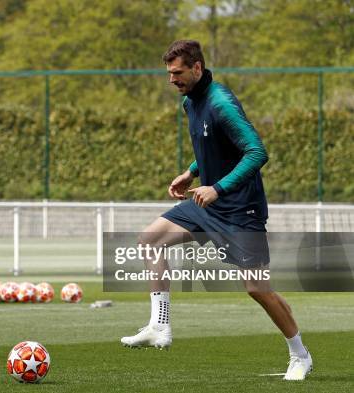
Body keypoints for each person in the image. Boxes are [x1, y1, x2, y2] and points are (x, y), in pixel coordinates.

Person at [120, 40, 313, 381]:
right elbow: (214, 145)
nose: (171, 80)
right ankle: (159, 325)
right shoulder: (188, 102)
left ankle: (300, 354)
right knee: (150, 239)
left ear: (197, 68)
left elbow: (256, 151)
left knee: (258, 289)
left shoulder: (221, 101)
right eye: (169, 73)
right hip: (206, 204)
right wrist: (192, 172)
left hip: (241, 211)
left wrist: (217, 187)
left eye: (177, 73)